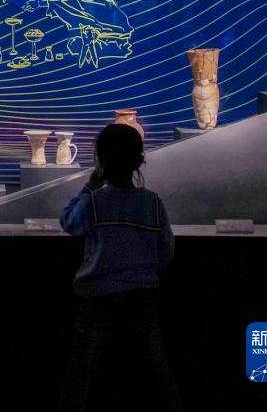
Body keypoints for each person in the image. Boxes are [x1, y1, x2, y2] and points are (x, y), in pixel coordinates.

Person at [58, 123, 182, 412]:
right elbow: (166, 248)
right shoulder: (152, 202)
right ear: (139, 161)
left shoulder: (94, 202)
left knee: (80, 373)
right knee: (157, 372)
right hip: (141, 299)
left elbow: (68, 221)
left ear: (100, 161)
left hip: (98, 301)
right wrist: (146, 273)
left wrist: (91, 184)